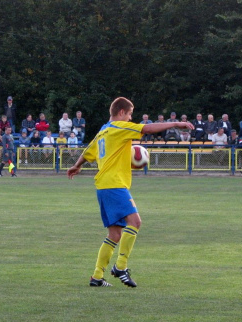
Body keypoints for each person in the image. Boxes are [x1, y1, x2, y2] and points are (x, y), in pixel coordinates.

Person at [67, 97, 193, 287]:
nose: (130, 119)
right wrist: (176, 123)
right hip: (114, 185)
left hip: (103, 186)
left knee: (115, 235)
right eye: (130, 115)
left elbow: (88, 151)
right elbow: (147, 129)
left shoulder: (103, 130)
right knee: (135, 222)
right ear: (121, 113)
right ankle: (120, 266)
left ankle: (97, 276)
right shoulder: (119, 127)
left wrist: (77, 166)